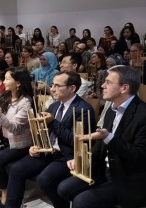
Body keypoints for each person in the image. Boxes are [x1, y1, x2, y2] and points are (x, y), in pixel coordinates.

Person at [58, 65, 146, 208]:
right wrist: (82, 160)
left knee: (82, 201)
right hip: (106, 169)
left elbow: (140, 155)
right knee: (63, 189)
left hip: (129, 177)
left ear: (124, 88)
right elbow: (101, 145)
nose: (102, 85)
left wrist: (108, 138)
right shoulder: (112, 109)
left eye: (108, 82)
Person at [6, 71, 96, 208]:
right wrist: (36, 145)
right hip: (49, 150)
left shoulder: (83, 109)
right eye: (52, 84)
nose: (52, 88)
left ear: (72, 88)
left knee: (44, 179)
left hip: (68, 155)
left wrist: (53, 122)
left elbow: (77, 141)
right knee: (17, 168)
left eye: (57, 85)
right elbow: (45, 133)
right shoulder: (54, 106)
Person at [0, 68, 33, 208]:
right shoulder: (5, 96)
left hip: (20, 143)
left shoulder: (25, 102)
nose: (4, 82)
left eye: (8, 79)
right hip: (5, 140)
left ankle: (5, 191)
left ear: (18, 83)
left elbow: (15, 128)